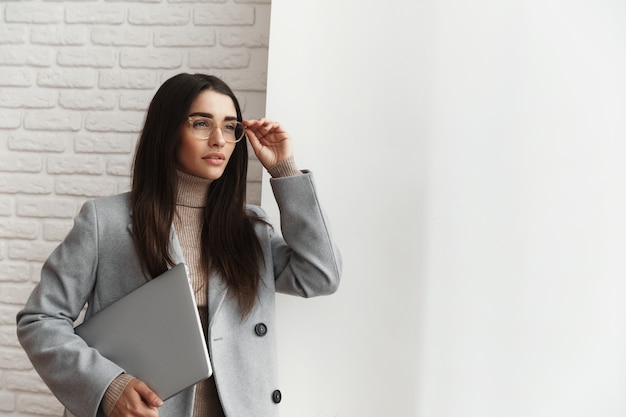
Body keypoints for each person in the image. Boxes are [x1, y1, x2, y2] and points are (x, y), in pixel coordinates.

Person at [16, 73, 342, 417]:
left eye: (231, 127)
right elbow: (40, 318)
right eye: (201, 123)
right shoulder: (105, 221)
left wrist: (285, 171)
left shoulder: (249, 229)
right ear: (168, 130)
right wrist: (108, 386)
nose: (219, 139)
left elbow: (320, 276)